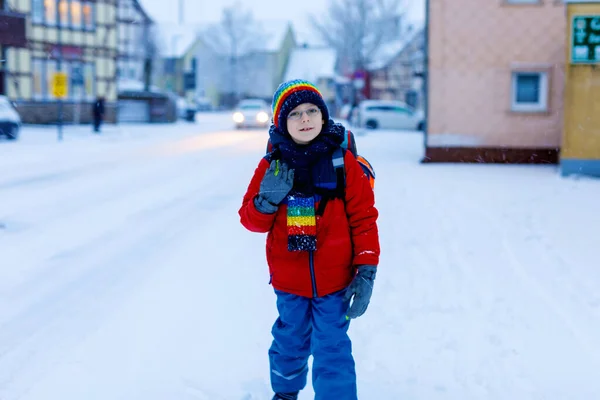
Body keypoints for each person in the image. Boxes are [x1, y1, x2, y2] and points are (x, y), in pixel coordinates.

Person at [238, 79, 380, 400]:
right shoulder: (271, 166)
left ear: (323, 115)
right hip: (289, 282)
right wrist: (266, 201)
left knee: (332, 346)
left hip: (335, 281)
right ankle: (285, 393)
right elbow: (251, 221)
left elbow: (364, 220)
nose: (305, 119)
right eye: (295, 114)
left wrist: (367, 271)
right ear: (280, 123)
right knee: (290, 341)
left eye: (312, 110)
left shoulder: (343, 164)